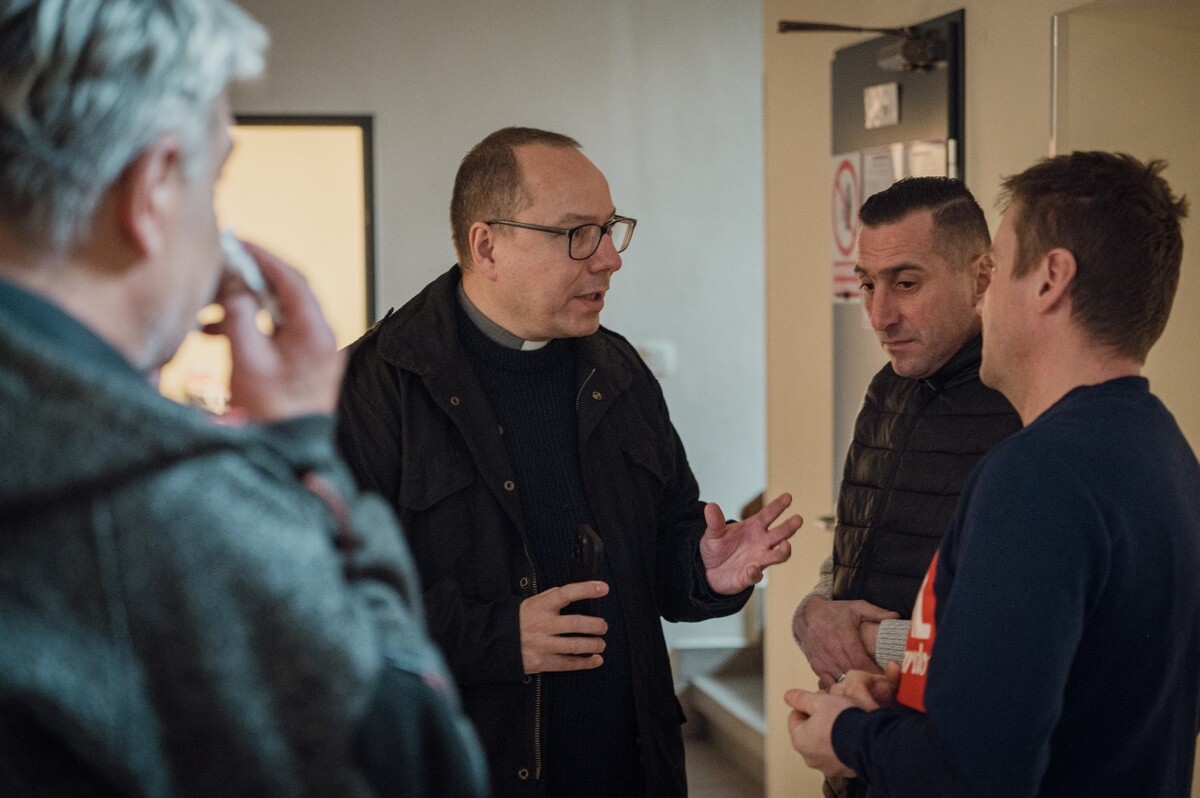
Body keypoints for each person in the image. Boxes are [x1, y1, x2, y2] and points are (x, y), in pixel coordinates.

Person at [0, 1, 484, 796]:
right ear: (153, 188)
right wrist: (304, 453)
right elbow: (426, 764)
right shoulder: (188, 521)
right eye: (214, 178)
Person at [337, 126, 801, 797]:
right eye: (578, 233)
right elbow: (331, 606)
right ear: (487, 246)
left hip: (630, 771)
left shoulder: (618, 372)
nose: (609, 258)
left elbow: (663, 557)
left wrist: (706, 571)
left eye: (609, 229)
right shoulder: (375, 388)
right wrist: (500, 639)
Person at [786, 151, 1200, 797]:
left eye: (997, 267)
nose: (986, 293)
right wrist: (905, 696)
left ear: (1050, 280)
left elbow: (974, 775)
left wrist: (845, 736)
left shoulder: (1040, 473)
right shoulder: (1164, 449)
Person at [791, 178, 1018, 706]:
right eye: (868, 285)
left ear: (981, 278)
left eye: (907, 284)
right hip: (863, 724)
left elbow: (1013, 628)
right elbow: (858, 544)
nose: (879, 317)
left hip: (954, 724)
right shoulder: (886, 388)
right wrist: (813, 612)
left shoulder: (1022, 406)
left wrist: (869, 644)